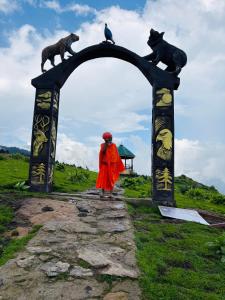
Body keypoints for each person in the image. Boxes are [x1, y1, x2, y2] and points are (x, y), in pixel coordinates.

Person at [96, 132, 125, 198]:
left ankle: (110, 194)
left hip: (112, 166)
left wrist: (115, 164)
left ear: (110, 138)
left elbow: (116, 155)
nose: (108, 139)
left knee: (111, 179)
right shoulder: (103, 145)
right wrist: (106, 144)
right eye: (105, 139)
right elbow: (102, 151)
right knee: (103, 179)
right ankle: (102, 193)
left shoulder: (114, 145)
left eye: (109, 138)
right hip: (104, 165)